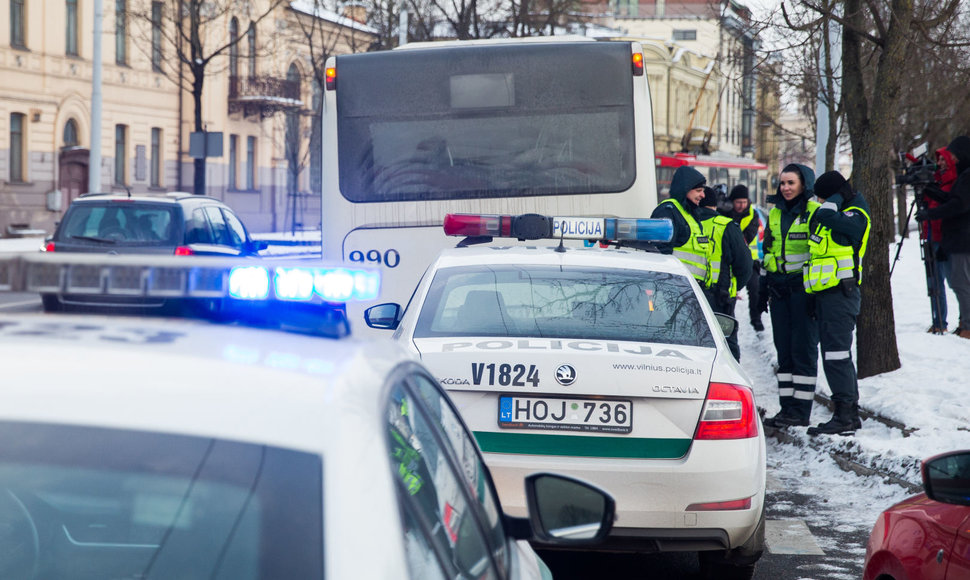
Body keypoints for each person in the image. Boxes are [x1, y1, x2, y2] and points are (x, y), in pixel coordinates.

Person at [802, 171, 871, 435]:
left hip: (842, 296)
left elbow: (825, 215)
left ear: (833, 194)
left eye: (823, 196)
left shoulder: (854, 214)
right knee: (833, 356)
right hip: (827, 296)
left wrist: (833, 199)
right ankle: (848, 414)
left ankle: (845, 415)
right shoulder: (838, 212)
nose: (820, 201)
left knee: (837, 355)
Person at [760, 164, 820, 429]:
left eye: (791, 183)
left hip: (804, 292)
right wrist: (767, 287)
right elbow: (768, 250)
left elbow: (819, 253)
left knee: (803, 350)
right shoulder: (774, 213)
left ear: (803, 185)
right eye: (782, 183)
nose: (785, 188)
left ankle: (801, 410)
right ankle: (787, 408)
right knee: (784, 351)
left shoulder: (815, 213)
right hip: (779, 291)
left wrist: (810, 289)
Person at [916, 136, 970, 339]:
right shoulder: (963, 175)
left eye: (953, 155)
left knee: (960, 282)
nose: (951, 159)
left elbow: (959, 205)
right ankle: (963, 323)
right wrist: (930, 190)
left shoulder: (965, 176)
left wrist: (931, 214)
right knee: (957, 281)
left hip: (961, 238)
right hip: (955, 237)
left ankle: (967, 324)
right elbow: (953, 199)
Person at [697, 187, 753, 361]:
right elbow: (744, 265)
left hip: (688, 296)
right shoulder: (725, 226)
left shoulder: (687, 224)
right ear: (715, 205)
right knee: (726, 343)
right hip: (720, 298)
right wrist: (735, 286)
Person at [649, 166, 710, 285]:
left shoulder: (689, 212)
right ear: (685, 190)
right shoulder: (668, 212)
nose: (703, 195)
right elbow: (659, 254)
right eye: (698, 190)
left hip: (688, 288)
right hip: (675, 287)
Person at [724, 185, 764, 331]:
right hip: (727, 260)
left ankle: (756, 320)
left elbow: (748, 236)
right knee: (728, 292)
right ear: (732, 202)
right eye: (738, 202)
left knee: (755, 290)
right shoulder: (725, 213)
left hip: (750, 261)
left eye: (744, 202)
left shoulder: (753, 214)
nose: (741, 206)